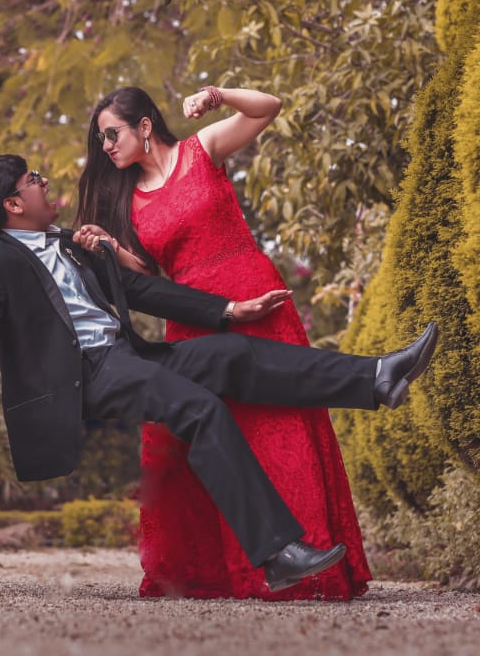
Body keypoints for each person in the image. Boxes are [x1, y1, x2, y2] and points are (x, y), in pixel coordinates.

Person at [0, 154, 438, 593]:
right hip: (89, 375)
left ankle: (376, 378)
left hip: (130, 355)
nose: (44, 181)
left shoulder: (73, 243)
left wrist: (227, 310)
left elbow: (139, 290)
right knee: (199, 409)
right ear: (13, 204)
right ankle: (278, 552)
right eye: (33, 179)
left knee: (234, 355)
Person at [74, 85, 369, 600]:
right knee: (213, 433)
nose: (107, 146)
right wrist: (112, 250)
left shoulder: (201, 149)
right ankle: (235, 571)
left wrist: (216, 95)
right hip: (194, 318)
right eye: (101, 139)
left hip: (254, 292)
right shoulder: (127, 198)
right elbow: (147, 278)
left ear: (145, 125)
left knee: (285, 420)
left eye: (112, 133)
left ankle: (316, 568)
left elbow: (269, 108)